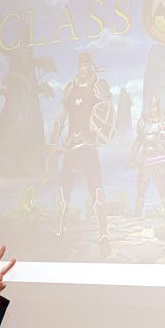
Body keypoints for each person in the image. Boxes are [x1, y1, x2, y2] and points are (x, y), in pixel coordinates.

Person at [50, 52, 115, 255]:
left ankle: (104, 237)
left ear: (90, 66)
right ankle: (57, 233)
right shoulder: (71, 88)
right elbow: (62, 117)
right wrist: (53, 141)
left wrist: (98, 134)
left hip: (88, 146)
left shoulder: (98, 87)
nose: (82, 68)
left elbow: (108, 114)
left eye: (86, 65)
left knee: (96, 191)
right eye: (80, 65)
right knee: (63, 191)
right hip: (71, 146)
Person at [130, 96, 165, 217]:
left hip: (158, 160)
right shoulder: (143, 123)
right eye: (152, 107)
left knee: (162, 187)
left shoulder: (163, 123)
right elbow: (139, 141)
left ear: (158, 107)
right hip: (146, 159)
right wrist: (133, 156)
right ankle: (138, 213)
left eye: (155, 107)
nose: (154, 110)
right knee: (141, 188)